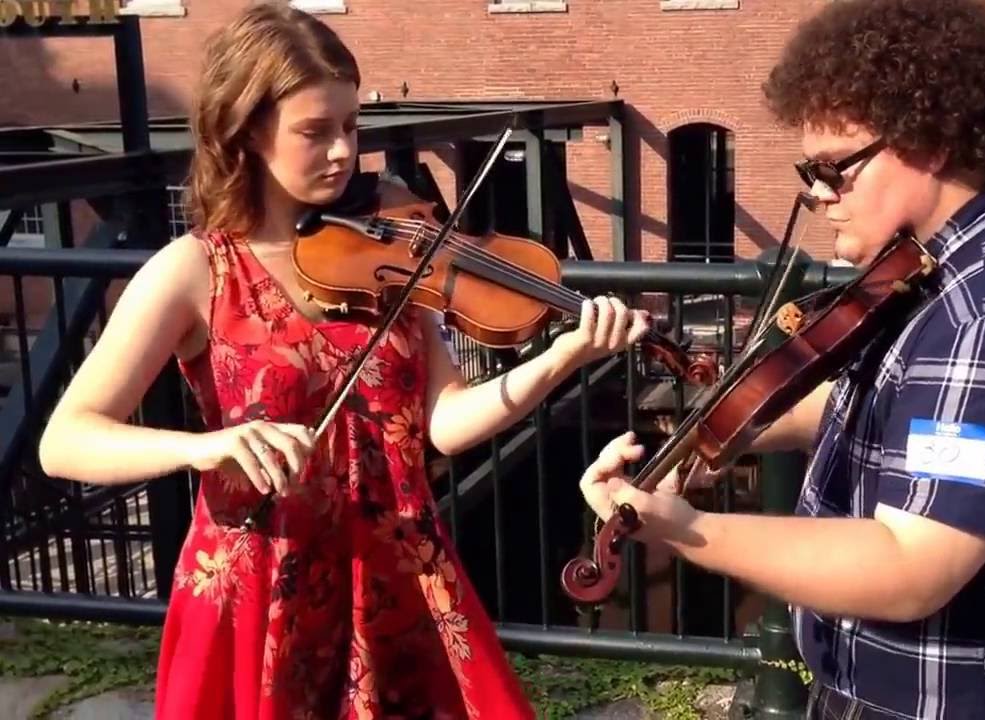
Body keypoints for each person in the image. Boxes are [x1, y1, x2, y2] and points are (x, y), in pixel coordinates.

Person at [36, 3, 651, 718]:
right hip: (261, 586)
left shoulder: (394, 246)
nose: (342, 153)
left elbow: (445, 424)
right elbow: (66, 440)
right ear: (245, 131)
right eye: (314, 131)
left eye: (350, 128)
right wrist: (209, 446)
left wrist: (565, 356)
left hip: (399, 574)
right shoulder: (193, 271)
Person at [576, 1, 985, 718]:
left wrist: (682, 528)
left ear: (928, 143)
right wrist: (716, 438)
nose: (816, 193)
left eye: (836, 169)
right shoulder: (931, 268)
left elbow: (910, 566)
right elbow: (869, 404)